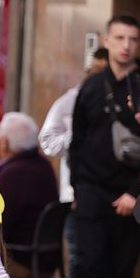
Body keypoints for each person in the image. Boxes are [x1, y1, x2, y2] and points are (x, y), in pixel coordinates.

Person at [67, 14, 140, 278]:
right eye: (120, 38)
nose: (126, 45)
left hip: (135, 192)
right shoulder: (92, 86)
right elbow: (77, 142)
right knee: (87, 266)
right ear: (108, 41)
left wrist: (135, 192)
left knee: (119, 273)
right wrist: (78, 189)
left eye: (133, 39)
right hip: (92, 190)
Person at [0, 112, 60, 278]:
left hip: (25, 264)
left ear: (4, 143)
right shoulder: (43, 165)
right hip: (46, 262)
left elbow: (0, 224)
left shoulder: (13, 174)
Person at [39, 47, 110, 205]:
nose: (96, 77)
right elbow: (47, 140)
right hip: (76, 195)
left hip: (115, 196)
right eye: (93, 71)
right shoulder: (68, 101)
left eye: (103, 71)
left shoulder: (124, 102)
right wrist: (77, 134)